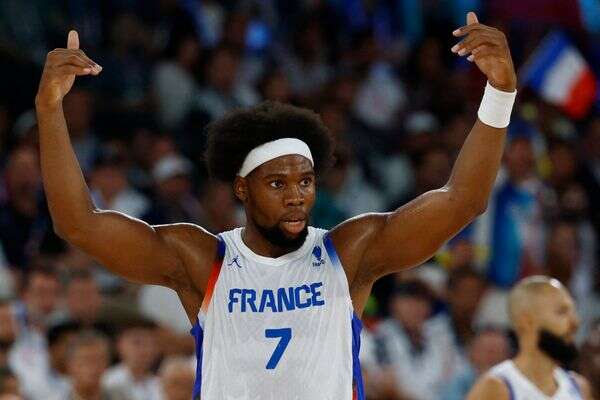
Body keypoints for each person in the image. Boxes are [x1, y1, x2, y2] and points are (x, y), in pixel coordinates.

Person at [35, 12, 517, 400]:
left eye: (305, 181)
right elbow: (78, 224)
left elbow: (463, 201)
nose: (296, 195)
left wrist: (499, 94)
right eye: (277, 183)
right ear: (242, 189)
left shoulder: (349, 252)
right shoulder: (202, 259)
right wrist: (50, 111)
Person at [466, 276, 593, 399]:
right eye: (562, 312)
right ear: (526, 322)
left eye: (573, 311)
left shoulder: (579, 387)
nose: (575, 322)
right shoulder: (497, 386)